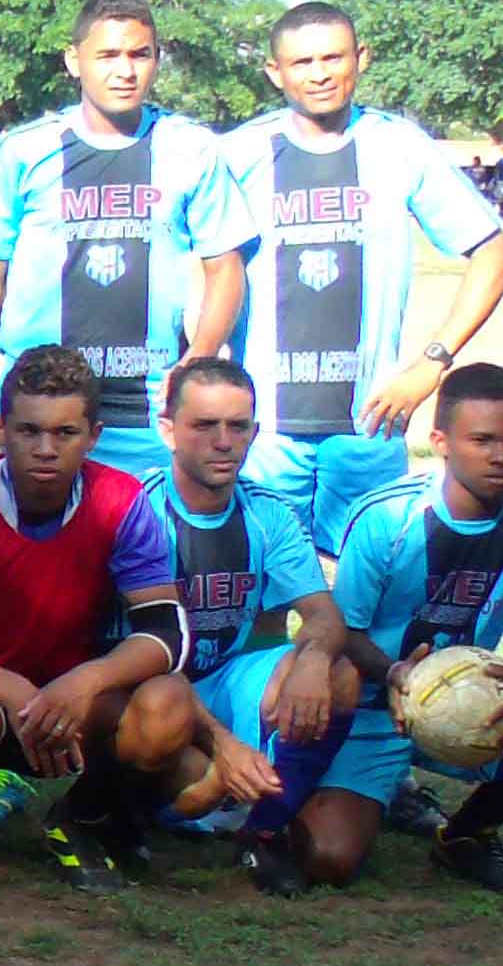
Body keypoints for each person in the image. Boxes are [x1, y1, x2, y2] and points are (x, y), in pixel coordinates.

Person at [0, 343, 201, 890]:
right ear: (1, 430)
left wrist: (87, 680)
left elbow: (166, 633)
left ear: (95, 436)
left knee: (170, 707)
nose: (45, 449)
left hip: (74, 705)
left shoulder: (121, 500)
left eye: (65, 433)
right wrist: (12, 691)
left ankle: (84, 818)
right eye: (29, 431)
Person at [222, 1, 503, 548]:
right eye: (302, 61)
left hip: (369, 420)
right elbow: (199, 267)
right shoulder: (239, 152)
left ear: (361, 57)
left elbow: (495, 256)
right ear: (274, 72)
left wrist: (430, 366)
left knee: (372, 602)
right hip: (263, 426)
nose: (319, 74)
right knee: (261, 588)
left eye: (333, 57)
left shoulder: (398, 145)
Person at [308, 364, 503, 895]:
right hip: (377, 703)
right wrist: (398, 672)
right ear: (441, 441)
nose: (501, 456)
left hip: (473, 701)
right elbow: (342, 633)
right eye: (482, 440)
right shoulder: (387, 517)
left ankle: (468, 834)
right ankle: (378, 786)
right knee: (329, 860)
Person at [0, 0, 256, 481]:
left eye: (140, 54)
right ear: (75, 61)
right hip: (40, 411)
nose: (126, 70)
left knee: (147, 553)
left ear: (157, 59)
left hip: (145, 412)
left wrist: (198, 358)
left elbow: (225, 266)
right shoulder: (23, 151)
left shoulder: (191, 149)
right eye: (108, 55)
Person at [144, 356, 359, 897]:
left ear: (255, 432)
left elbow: (324, 615)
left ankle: (261, 831)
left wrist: (312, 660)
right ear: (168, 430)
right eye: (204, 425)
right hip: (151, 694)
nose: (223, 441)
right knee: (195, 792)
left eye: (237, 426)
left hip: (227, 679)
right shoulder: (136, 511)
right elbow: (125, 652)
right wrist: (221, 746)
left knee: (341, 674)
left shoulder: (269, 513)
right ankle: (128, 812)